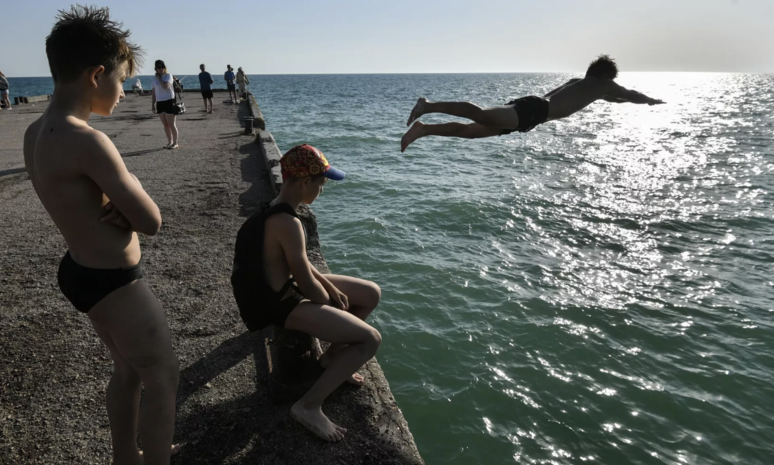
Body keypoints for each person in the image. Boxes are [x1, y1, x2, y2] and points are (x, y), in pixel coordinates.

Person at [23, 6, 179, 464]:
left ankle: (125, 456)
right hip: (114, 280)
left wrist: (110, 207)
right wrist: (125, 209)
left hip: (80, 269)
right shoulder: (87, 140)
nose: (125, 90)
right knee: (164, 376)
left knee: (129, 370)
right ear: (96, 74)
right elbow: (151, 220)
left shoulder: (35, 132)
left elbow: (75, 199)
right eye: (121, 80)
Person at [231, 144, 382, 442]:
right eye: (321, 184)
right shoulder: (289, 223)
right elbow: (306, 284)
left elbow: (303, 264)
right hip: (277, 303)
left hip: (279, 287)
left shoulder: (274, 207)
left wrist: (332, 288)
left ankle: (331, 361)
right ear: (304, 182)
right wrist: (332, 304)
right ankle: (308, 406)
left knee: (370, 293)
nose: (322, 191)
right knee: (369, 339)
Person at [401, 55, 666, 152]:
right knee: (481, 116)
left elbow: (617, 98)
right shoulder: (604, 84)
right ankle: (427, 105)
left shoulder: (583, 83)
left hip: (532, 111)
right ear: (607, 75)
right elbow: (628, 93)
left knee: (472, 132)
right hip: (535, 111)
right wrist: (650, 101)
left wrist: (628, 101)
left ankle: (424, 129)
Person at [151, 59, 179, 149]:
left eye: (162, 67)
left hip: (169, 101)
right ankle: (169, 141)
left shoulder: (168, 76)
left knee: (171, 124)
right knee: (165, 124)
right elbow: (154, 92)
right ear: (155, 68)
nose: (161, 69)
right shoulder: (154, 79)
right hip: (160, 102)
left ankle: (175, 142)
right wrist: (153, 104)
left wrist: (159, 78)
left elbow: (165, 86)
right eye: (158, 67)